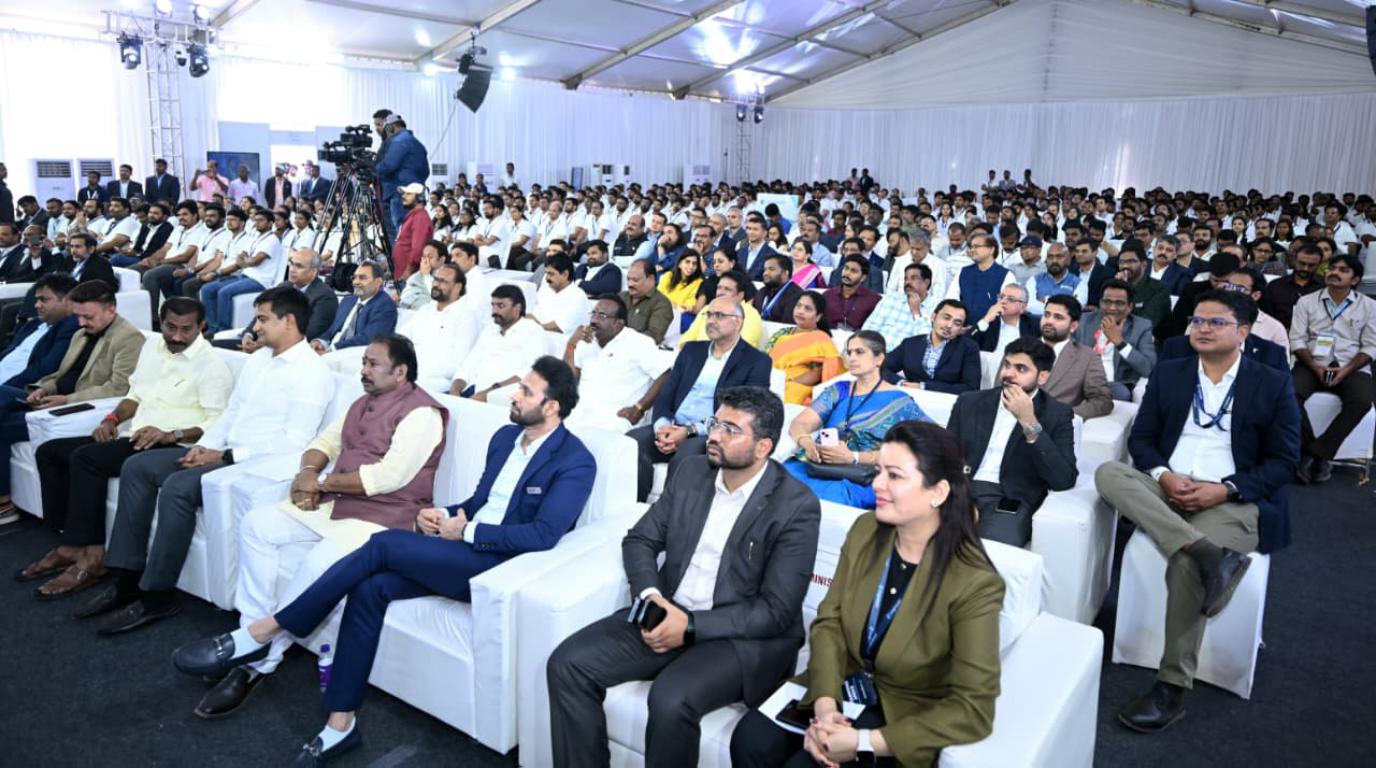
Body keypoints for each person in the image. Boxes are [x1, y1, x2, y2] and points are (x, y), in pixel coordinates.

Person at [176, 358, 593, 764]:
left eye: (526, 391)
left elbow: (543, 535)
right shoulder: (505, 439)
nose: (515, 395)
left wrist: (466, 531)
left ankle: (267, 629)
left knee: (383, 546)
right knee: (370, 588)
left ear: (552, 407)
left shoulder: (575, 461)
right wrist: (444, 514)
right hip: (459, 548)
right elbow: (481, 502)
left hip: (499, 566)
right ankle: (341, 725)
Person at [174, 335, 447, 718]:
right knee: (257, 524)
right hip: (339, 502)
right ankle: (250, 638)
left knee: (317, 564)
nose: (363, 370)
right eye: (363, 362)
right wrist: (306, 472)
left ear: (400, 372)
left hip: (386, 518)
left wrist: (319, 483)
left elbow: (389, 477)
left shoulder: (423, 414)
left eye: (373, 364)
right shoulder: (363, 401)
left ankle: (258, 664)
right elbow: (325, 442)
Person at [549, 386, 820, 768]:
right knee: (568, 663)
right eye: (715, 423)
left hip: (738, 638)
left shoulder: (796, 505)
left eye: (730, 429)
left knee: (670, 698)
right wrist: (651, 597)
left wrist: (690, 627)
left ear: (763, 447)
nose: (714, 435)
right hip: (669, 610)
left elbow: (776, 610)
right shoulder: (692, 471)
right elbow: (640, 539)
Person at [731, 420, 1003, 768]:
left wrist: (863, 742)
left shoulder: (975, 581)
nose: (877, 484)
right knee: (751, 740)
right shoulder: (866, 530)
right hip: (842, 682)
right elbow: (829, 622)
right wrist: (825, 706)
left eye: (894, 476)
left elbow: (973, 709)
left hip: (904, 710)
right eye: (878, 472)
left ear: (937, 492)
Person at [1095, 289, 1300, 734]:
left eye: (1215, 322)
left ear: (1243, 332)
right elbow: (1142, 440)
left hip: (1230, 498)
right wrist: (1164, 475)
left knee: (1185, 567)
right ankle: (1209, 553)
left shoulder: (1270, 382)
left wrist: (1225, 489)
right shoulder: (1172, 373)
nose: (1202, 328)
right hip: (1166, 486)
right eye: (1197, 320)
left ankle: (1171, 687)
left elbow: (1285, 461)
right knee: (1109, 474)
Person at [77, 286, 334, 635]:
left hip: (252, 463)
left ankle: (157, 596)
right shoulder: (260, 360)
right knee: (137, 466)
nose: (255, 326)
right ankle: (127, 579)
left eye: (262, 319)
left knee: (177, 488)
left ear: (288, 321)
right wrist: (202, 447)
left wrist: (225, 455)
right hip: (221, 451)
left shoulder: (312, 373)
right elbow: (231, 413)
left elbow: (294, 443)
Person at [18, 298, 233, 598]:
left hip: (170, 445)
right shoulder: (153, 348)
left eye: (187, 329)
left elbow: (216, 423)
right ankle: (69, 543)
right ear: (161, 322)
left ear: (202, 327)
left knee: (87, 459)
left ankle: (93, 556)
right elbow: (135, 394)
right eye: (171, 327)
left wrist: (172, 434)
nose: (177, 336)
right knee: (50, 453)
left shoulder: (212, 366)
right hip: (133, 435)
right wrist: (112, 418)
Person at [0, 281, 145, 518]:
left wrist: (66, 400)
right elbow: (60, 374)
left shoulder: (129, 338)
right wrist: (42, 389)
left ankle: (4, 503)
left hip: (75, 410)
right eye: (78, 316)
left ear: (111, 309)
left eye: (88, 317)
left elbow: (118, 389)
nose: (81, 323)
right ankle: (4, 501)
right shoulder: (81, 333)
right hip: (51, 402)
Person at [627, 297, 771, 501]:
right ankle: (634, 506)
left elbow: (744, 412)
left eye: (719, 316)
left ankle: (668, 515)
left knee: (687, 456)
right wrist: (662, 426)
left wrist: (690, 431)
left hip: (712, 433)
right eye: (708, 315)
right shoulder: (692, 351)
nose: (711, 321)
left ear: (738, 322)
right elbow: (666, 394)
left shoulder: (756, 361)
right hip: (672, 426)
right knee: (629, 444)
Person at [948, 337, 1078, 545]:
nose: (1009, 373)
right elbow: (946, 455)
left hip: (1009, 499)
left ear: (1042, 376)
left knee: (992, 550)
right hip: (960, 488)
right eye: (1007, 365)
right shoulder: (969, 401)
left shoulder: (1057, 414)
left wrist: (1029, 422)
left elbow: (1064, 479)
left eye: (1021, 369)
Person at [784, 331, 929, 508]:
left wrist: (854, 457)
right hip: (818, 464)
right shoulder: (840, 390)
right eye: (849, 352)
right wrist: (807, 443)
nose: (851, 358)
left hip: (860, 476)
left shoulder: (900, 403)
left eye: (859, 352)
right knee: (776, 482)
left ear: (879, 359)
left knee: (832, 497)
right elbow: (801, 423)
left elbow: (925, 447)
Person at [1288, 253, 1376, 484]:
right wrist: (1315, 366)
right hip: (1312, 362)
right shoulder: (1307, 302)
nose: (1334, 272)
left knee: (1362, 400)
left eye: (1343, 270)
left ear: (1355, 280)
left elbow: (1371, 346)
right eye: (1332, 268)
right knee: (1288, 394)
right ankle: (1313, 452)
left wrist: (1346, 370)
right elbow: (1296, 339)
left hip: (1351, 365)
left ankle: (1316, 454)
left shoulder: (1370, 306)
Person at [563, 294, 670, 432]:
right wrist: (571, 345)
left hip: (616, 418)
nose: (594, 320)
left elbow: (665, 374)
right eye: (593, 313)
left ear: (618, 324)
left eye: (602, 316)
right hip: (580, 413)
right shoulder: (586, 340)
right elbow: (567, 381)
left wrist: (639, 408)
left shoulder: (638, 343)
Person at [215, 249, 339, 351]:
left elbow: (311, 332)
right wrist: (249, 335)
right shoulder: (284, 286)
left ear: (314, 272)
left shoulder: (324, 296)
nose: (292, 269)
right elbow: (261, 314)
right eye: (291, 264)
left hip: (288, 350)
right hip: (261, 343)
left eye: (299, 266)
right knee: (213, 347)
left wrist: (267, 343)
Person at [450, 285, 546, 401]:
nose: (494, 311)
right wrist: (455, 390)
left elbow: (531, 372)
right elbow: (469, 364)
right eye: (493, 305)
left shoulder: (532, 331)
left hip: (501, 397)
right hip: (471, 391)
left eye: (501, 306)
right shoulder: (490, 329)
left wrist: (489, 393)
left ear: (517, 308)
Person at [399, 263, 480, 393]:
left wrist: (414, 366)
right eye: (435, 279)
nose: (436, 284)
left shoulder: (465, 317)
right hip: (405, 375)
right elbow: (400, 339)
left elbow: (458, 365)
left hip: (435, 384)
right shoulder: (426, 309)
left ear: (458, 287)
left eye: (443, 281)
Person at [201, 208, 283, 334]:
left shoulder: (272, 240)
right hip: (246, 275)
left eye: (261, 220)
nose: (257, 223)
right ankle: (213, 328)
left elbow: (255, 261)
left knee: (224, 292)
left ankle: (223, 330)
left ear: (270, 223)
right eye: (256, 220)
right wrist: (247, 260)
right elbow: (241, 257)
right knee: (207, 289)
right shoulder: (255, 237)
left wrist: (247, 260)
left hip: (260, 280)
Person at [1075, 279, 1158, 401]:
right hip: (1080, 379)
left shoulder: (1141, 327)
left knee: (1120, 393)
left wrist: (1119, 342)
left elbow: (1149, 369)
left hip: (1113, 385)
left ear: (1130, 307)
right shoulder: (1084, 321)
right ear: (1100, 303)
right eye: (1107, 302)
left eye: (1119, 303)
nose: (1112, 308)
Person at [883, 299, 981, 394]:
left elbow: (971, 387)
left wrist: (924, 387)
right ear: (933, 317)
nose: (949, 325)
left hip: (946, 401)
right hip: (909, 397)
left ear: (961, 329)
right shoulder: (909, 344)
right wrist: (902, 383)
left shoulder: (969, 348)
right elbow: (880, 368)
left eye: (957, 323)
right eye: (946, 318)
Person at [763, 291, 843, 405]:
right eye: (798, 306)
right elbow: (765, 357)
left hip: (796, 384)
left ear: (818, 317)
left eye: (807, 309)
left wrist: (788, 381)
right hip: (770, 377)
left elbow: (819, 373)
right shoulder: (782, 333)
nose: (800, 311)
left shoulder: (821, 338)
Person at [1041, 294, 1113, 419]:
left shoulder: (1087, 357)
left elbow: (1103, 401)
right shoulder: (1020, 348)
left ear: (1073, 326)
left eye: (1058, 317)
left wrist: (1065, 414)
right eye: (1047, 315)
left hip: (1054, 424)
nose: (1049, 321)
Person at [312, 260, 398, 354]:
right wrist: (320, 342)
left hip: (354, 355)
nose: (355, 282)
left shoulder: (385, 306)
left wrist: (332, 350)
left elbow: (368, 338)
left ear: (378, 282)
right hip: (330, 351)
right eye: (354, 277)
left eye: (362, 278)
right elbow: (332, 329)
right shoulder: (348, 301)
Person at [374, 114, 430, 242]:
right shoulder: (418, 144)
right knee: (413, 231)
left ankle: (400, 256)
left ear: (391, 127)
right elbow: (426, 172)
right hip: (416, 195)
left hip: (399, 193)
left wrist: (373, 168)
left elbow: (388, 166)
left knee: (400, 233)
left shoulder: (398, 141)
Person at [679, 269, 764, 348]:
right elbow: (687, 338)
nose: (720, 292)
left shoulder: (750, 315)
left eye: (727, 289)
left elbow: (742, 348)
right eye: (719, 288)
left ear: (740, 295)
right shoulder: (707, 309)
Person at [864, 262, 937, 352]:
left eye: (913, 278)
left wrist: (916, 312)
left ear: (926, 282)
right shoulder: (891, 298)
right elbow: (870, 327)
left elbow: (925, 342)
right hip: (876, 350)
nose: (908, 282)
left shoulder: (934, 308)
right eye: (906, 278)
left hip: (903, 357)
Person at [945, 232, 1015, 323]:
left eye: (977, 246)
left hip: (993, 326)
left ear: (991, 249)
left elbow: (1007, 306)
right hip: (964, 326)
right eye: (971, 247)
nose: (972, 250)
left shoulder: (1006, 275)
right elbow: (951, 299)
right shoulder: (963, 272)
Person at [1260, 242, 1323, 330]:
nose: (1305, 268)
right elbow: (1265, 316)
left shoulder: (1326, 287)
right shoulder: (1275, 286)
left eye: (1311, 265)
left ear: (1319, 265)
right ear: (1294, 260)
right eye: (1302, 263)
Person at [1114, 243, 1172, 331]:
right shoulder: (1114, 286)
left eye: (1131, 261)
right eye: (1121, 262)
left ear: (1144, 265)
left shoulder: (1159, 289)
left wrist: (1125, 290)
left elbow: (1145, 323)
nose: (1125, 266)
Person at [532, 254, 590, 334]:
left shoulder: (577, 296)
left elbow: (560, 327)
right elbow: (535, 314)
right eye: (546, 273)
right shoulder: (545, 289)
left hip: (562, 339)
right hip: (539, 334)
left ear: (565, 274)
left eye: (551, 274)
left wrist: (534, 328)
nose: (546, 278)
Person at [970, 283, 1037, 353]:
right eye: (1001, 297)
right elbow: (966, 343)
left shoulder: (1033, 324)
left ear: (1023, 307)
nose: (1003, 301)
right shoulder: (988, 321)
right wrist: (986, 320)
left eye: (1011, 299)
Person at [822, 254, 881, 331]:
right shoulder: (827, 295)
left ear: (863, 278)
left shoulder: (874, 300)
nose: (847, 273)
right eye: (846, 268)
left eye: (853, 271)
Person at [391, 182, 434, 281]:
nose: (403, 196)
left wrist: (408, 271)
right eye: (404, 193)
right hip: (402, 271)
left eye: (409, 194)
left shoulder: (420, 218)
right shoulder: (414, 215)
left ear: (420, 197)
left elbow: (418, 249)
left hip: (409, 274)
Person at [624, 258, 673, 345]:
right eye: (628, 279)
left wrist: (622, 339)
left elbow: (653, 337)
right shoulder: (621, 297)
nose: (630, 284)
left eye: (635, 280)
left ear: (651, 279)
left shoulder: (661, 304)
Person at [753, 253, 804, 324]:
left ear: (786, 273)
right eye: (765, 270)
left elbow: (789, 325)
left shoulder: (797, 295)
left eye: (771, 269)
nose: (765, 273)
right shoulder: (761, 292)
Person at [657, 249, 703, 315]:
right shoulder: (668, 276)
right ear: (679, 264)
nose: (691, 266)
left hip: (677, 316)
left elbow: (687, 306)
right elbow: (658, 296)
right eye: (687, 262)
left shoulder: (698, 282)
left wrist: (673, 305)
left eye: (694, 263)